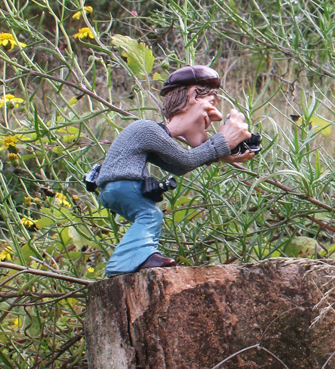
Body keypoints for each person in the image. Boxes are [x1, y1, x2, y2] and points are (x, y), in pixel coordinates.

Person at [94, 65, 253, 275]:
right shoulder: (148, 130)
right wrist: (221, 142)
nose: (216, 115)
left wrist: (221, 155)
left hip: (115, 187)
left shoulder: (152, 133)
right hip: (122, 185)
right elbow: (186, 161)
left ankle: (134, 259)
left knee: (148, 215)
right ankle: (124, 264)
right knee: (150, 216)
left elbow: (177, 166)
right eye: (211, 103)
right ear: (190, 97)